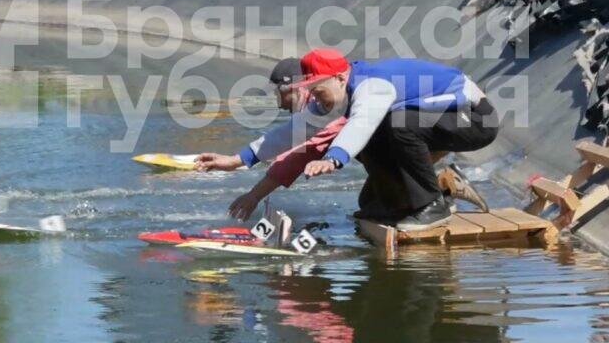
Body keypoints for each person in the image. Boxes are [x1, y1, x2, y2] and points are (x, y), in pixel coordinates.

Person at [197, 50, 494, 230]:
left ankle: (433, 205)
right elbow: (293, 132)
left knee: (393, 123)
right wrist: (236, 160)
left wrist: (334, 158)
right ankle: (399, 202)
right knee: (382, 140)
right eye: (309, 91)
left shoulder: (372, 86)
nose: (314, 97)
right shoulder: (336, 93)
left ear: (340, 78)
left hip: (474, 119)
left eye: (318, 90)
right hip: (432, 123)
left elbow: (362, 123)